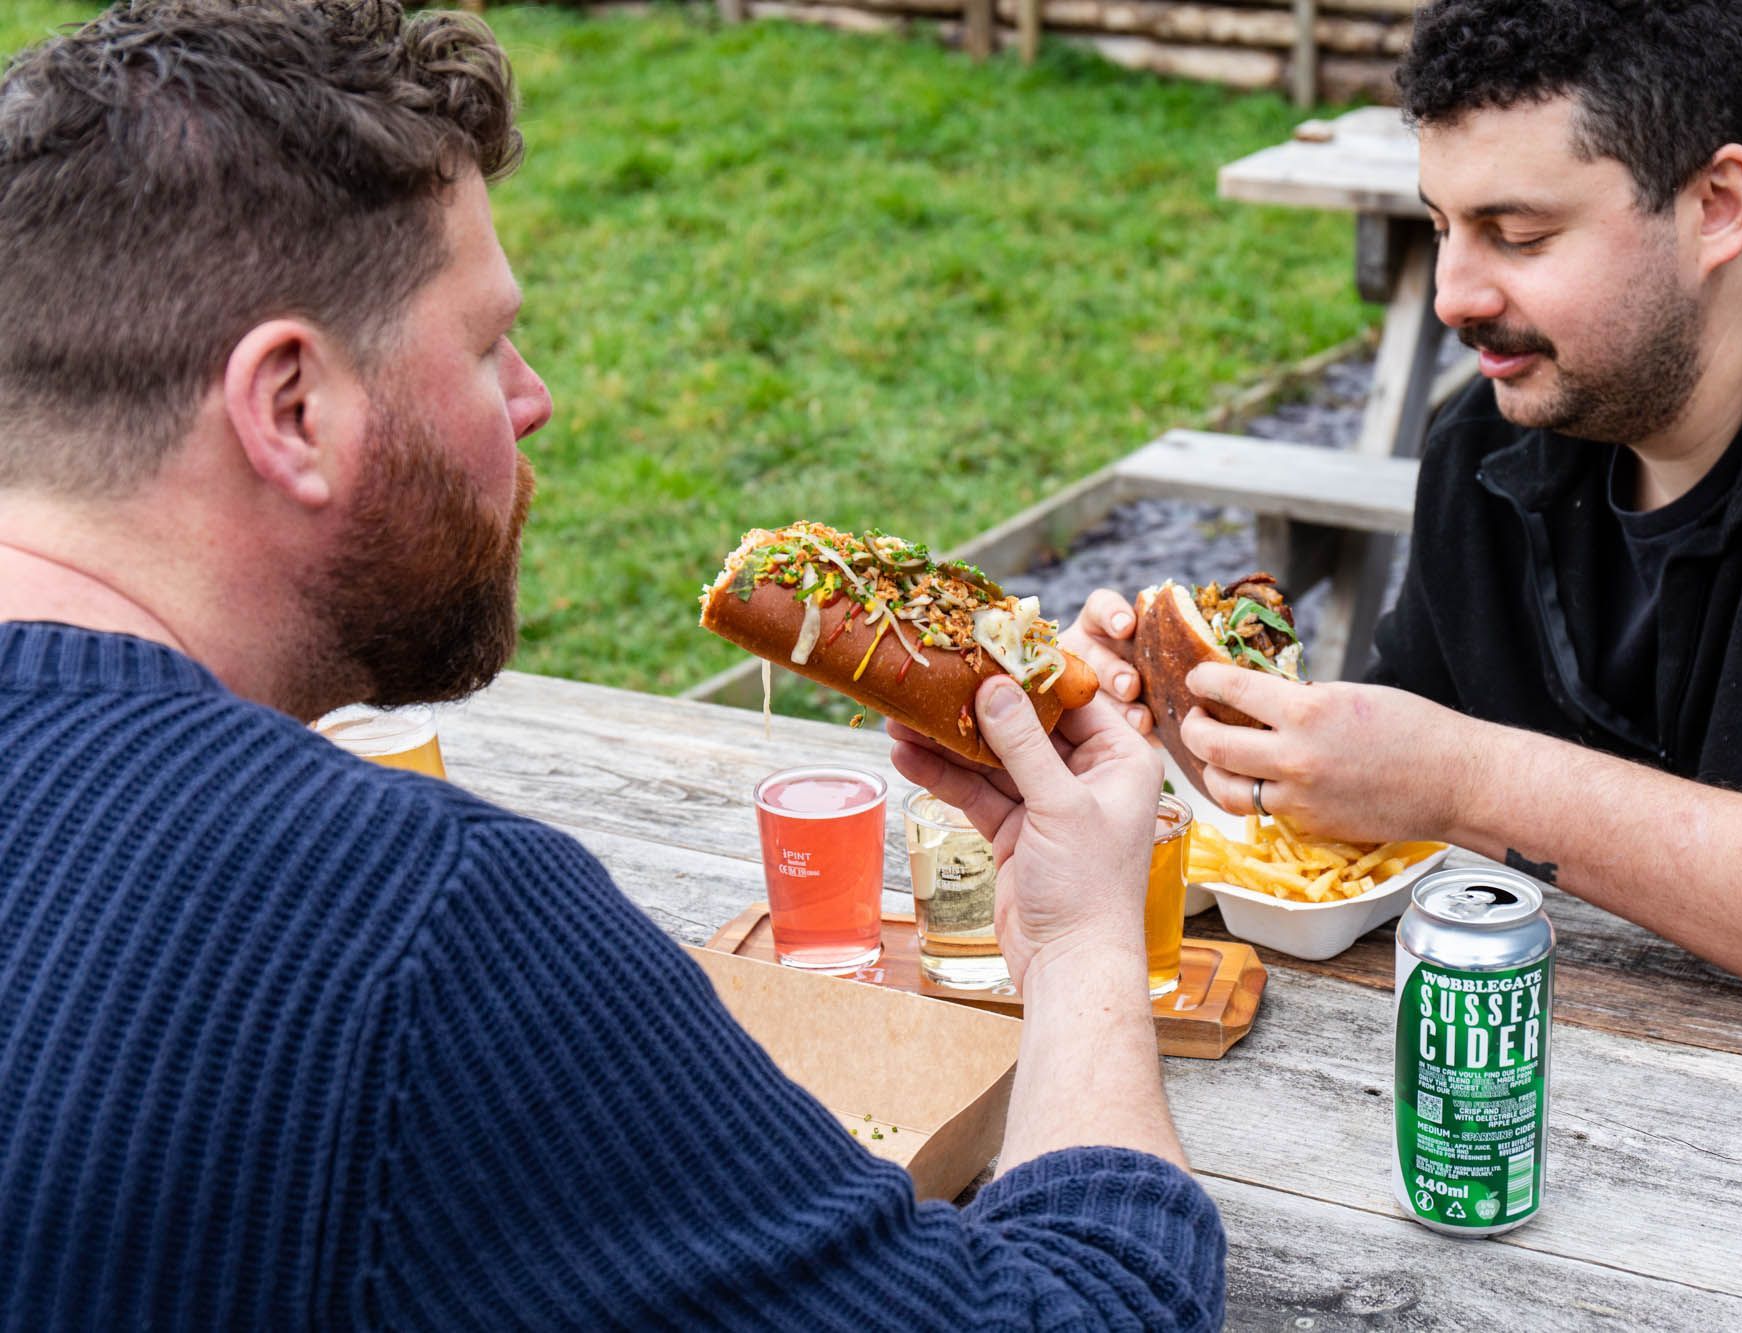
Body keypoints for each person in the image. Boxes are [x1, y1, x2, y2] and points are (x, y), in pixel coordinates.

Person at [0, 2, 1223, 1326]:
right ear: (292, 408)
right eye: (482, 345)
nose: (532, 398)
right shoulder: (424, 930)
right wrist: (1088, 934)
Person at [1067, 0, 1742, 1049]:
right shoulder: (1491, 442)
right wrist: (1199, 725)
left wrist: (1474, 782)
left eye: (1517, 234)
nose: (1454, 295)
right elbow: (1376, 809)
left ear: (1716, 204)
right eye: (1439, 227)